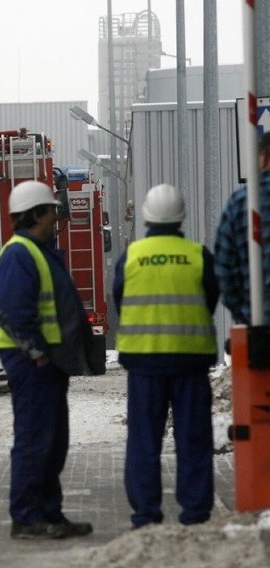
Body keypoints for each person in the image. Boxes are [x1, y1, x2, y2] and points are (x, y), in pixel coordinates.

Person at [0, 180, 95, 540]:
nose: (57, 217)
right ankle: (26, 517)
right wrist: (36, 354)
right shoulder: (19, 254)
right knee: (35, 441)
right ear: (37, 214)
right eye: (52, 211)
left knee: (52, 441)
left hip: (48, 364)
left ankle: (49, 513)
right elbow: (14, 313)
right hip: (32, 364)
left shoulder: (39, 251)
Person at [114, 183, 218, 529]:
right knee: (193, 440)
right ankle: (196, 514)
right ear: (181, 217)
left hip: (144, 363)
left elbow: (120, 300)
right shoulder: (198, 255)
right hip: (190, 362)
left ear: (145, 216)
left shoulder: (131, 256)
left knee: (144, 441)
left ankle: (145, 515)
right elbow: (210, 299)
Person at [214, 131, 270, 326]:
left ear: (263, 158)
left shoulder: (241, 203)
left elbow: (223, 270)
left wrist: (244, 312)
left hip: (259, 326)